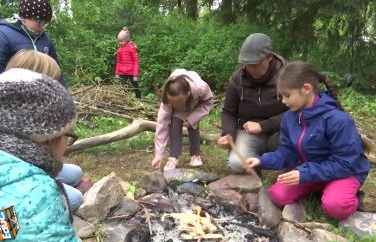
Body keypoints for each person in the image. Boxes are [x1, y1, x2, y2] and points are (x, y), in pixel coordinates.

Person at [0, 69, 147, 242]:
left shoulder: (1, 180)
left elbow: (6, 233)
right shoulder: (29, 195)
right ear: (47, 138)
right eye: (68, 134)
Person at [244, 61, 371, 220]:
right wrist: (260, 161)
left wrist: (304, 173)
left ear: (306, 89)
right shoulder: (290, 118)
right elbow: (286, 153)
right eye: (281, 96)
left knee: (336, 206)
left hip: (344, 172)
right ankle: (323, 189)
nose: (283, 101)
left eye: (287, 95)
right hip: (313, 171)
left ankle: (348, 196)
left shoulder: (338, 120)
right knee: (278, 195)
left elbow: (345, 164)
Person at [5, 50, 84, 211]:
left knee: (75, 172)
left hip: (28, 171)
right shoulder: (7, 119)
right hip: (13, 182)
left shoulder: (29, 108)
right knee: (75, 198)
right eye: (52, 81)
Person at [217, 33, 288, 174]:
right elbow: (228, 112)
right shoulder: (238, 78)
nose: (251, 69)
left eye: (256, 64)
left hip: (281, 131)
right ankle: (256, 167)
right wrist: (228, 133)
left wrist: (263, 126)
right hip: (249, 133)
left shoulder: (287, 75)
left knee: (294, 140)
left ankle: (285, 169)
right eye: (248, 65)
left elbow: (297, 112)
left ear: (269, 57)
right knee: (237, 163)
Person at [0, 0, 67, 87]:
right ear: (25, 16)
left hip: (42, 95)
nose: (43, 26)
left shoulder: (45, 40)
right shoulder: (1, 34)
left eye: (46, 22)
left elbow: (57, 75)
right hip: (12, 94)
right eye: (40, 21)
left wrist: (66, 97)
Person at [151, 69, 214, 171]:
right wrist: (158, 155)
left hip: (195, 104)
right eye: (173, 103)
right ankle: (173, 157)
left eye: (178, 102)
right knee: (175, 123)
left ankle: (195, 155)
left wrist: (194, 118)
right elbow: (162, 125)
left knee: (193, 124)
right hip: (180, 107)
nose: (175, 105)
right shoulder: (167, 98)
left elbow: (208, 101)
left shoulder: (201, 88)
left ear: (188, 93)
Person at [115, 26, 141, 98]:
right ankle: (126, 99)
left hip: (131, 72)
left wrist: (135, 75)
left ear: (127, 40)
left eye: (122, 41)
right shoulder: (119, 50)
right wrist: (117, 72)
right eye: (119, 41)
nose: (120, 43)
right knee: (124, 87)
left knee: (135, 86)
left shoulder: (132, 48)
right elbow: (118, 62)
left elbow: (136, 62)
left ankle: (139, 99)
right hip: (122, 72)